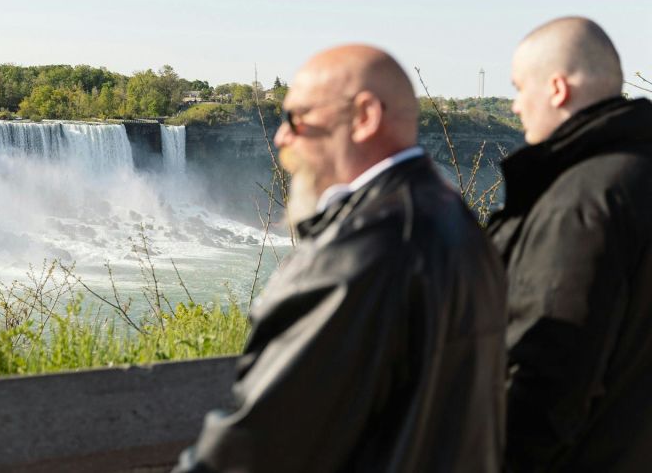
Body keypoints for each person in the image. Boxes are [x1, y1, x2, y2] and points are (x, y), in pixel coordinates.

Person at [173, 45, 506, 472]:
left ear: (364, 116)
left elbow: (257, 450)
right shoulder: (460, 224)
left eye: (296, 118)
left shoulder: (361, 252)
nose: (281, 137)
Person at [488, 17, 652, 471]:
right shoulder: (635, 179)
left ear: (557, 90)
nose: (517, 106)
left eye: (520, 88)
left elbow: (546, 381)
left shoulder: (579, 203)